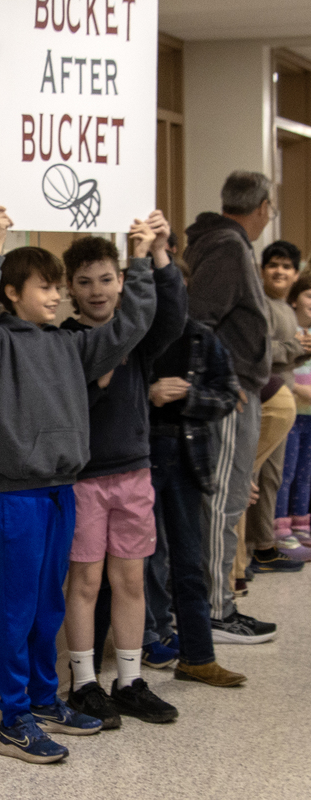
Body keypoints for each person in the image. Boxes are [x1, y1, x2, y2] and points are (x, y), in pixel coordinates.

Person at [0, 205, 156, 764]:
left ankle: (45, 699)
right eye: (45, 287)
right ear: (14, 293)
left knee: (49, 605)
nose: (57, 296)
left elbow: (130, 326)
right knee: (18, 610)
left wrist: (138, 261)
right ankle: (13, 719)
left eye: (56, 287)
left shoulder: (71, 346)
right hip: (21, 495)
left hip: (63, 490)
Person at [60, 215, 186, 729]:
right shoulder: (65, 340)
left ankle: (130, 680)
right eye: (85, 281)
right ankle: (84, 682)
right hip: (85, 477)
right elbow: (66, 401)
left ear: (121, 282)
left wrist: (156, 254)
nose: (97, 291)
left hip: (133, 472)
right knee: (86, 580)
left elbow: (171, 318)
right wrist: (96, 382)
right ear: (69, 287)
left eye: (107, 279)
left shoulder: (134, 336)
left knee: (131, 579)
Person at [144, 261, 248, 686]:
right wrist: (149, 395)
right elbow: (105, 397)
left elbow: (228, 394)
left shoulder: (202, 337)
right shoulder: (132, 334)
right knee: (144, 561)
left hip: (187, 459)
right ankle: (149, 642)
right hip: (139, 456)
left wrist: (189, 397)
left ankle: (198, 657)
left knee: (189, 561)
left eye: (174, 288)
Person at [183, 170, 276, 643]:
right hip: (228, 398)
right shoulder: (227, 246)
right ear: (260, 207)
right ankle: (214, 611)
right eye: (270, 208)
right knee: (220, 504)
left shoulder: (224, 242)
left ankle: (218, 605)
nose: (270, 216)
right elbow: (199, 320)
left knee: (227, 501)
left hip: (237, 390)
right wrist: (222, 379)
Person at [242, 241, 310, 571]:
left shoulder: (286, 308)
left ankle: (263, 544)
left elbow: (286, 352)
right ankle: (249, 549)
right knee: (253, 476)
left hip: (283, 403)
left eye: (286, 266)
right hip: (263, 400)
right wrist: (293, 346)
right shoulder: (262, 305)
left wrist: (303, 349)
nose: (279, 271)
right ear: (262, 270)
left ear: (296, 274)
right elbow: (259, 352)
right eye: (273, 265)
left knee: (272, 477)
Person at [276, 273, 311, 547]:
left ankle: (302, 523)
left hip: (309, 418)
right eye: (309, 295)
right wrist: (301, 391)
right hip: (290, 414)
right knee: (284, 473)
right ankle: (280, 529)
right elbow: (281, 373)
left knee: (305, 472)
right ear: (295, 299)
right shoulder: (289, 334)